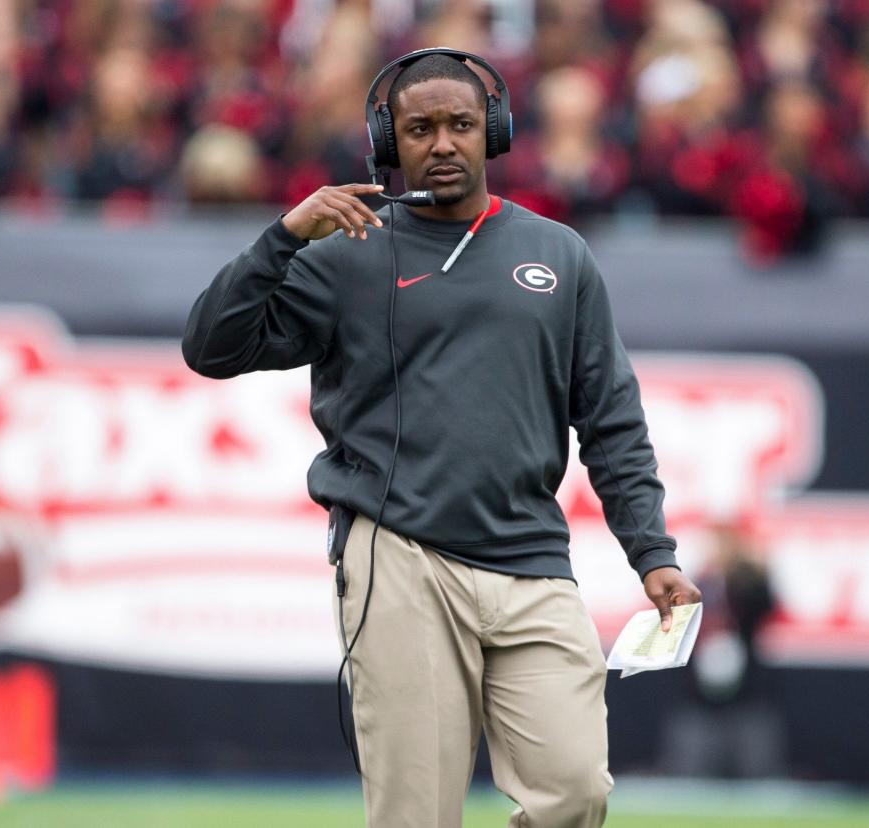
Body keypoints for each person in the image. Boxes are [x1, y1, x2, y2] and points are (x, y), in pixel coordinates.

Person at [182, 48, 700, 828]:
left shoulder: (560, 254)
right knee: (416, 814)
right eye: (420, 128)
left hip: (531, 559)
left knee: (575, 792)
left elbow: (611, 421)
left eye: (462, 123)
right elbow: (211, 347)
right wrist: (286, 235)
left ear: (493, 131)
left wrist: (651, 555)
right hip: (400, 556)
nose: (444, 143)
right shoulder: (345, 255)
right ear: (389, 144)